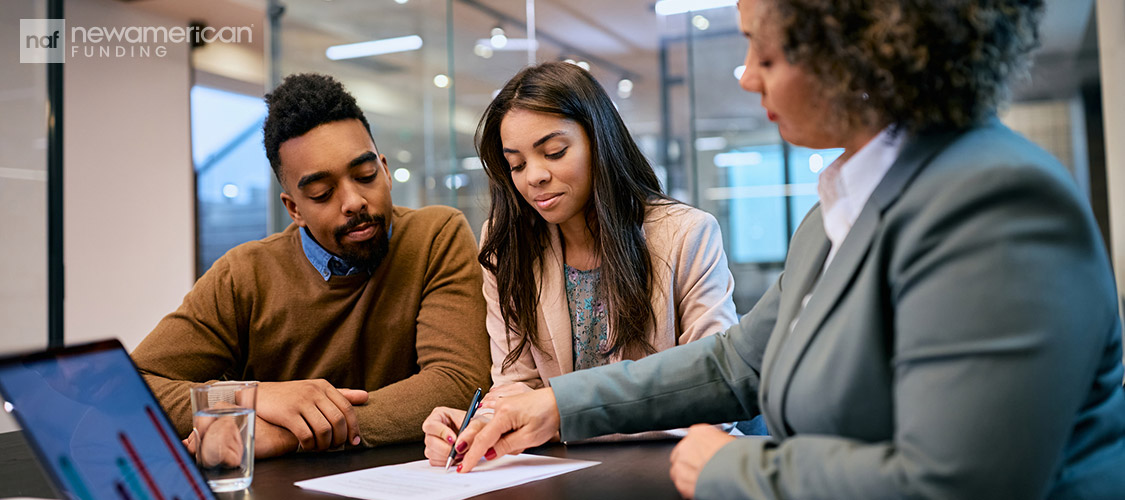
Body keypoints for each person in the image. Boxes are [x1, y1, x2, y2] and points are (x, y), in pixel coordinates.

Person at [447, 0, 1125, 498]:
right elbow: (735, 362)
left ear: (853, 50)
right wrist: (556, 405)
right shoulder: (836, 213)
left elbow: (957, 483)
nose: (745, 76)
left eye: (765, 54)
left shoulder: (993, 200)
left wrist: (732, 469)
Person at [131, 73, 491, 458]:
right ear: (294, 209)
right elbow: (128, 389)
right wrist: (250, 398)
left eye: (366, 175)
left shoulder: (435, 236)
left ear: (385, 171)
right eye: (322, 193)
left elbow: (456, 382)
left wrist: (288, 435)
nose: (353, 201)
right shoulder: (244, 275)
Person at [421, 62, 739, 463]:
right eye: (515, 164)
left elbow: (714, 395)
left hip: (668, 472)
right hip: (558, 475)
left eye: (554, 153)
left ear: (598, 141)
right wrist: (484, 423)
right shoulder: (506, 244)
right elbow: (516, 386)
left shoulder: (687, 235)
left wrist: (561, 415)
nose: (533, 176)